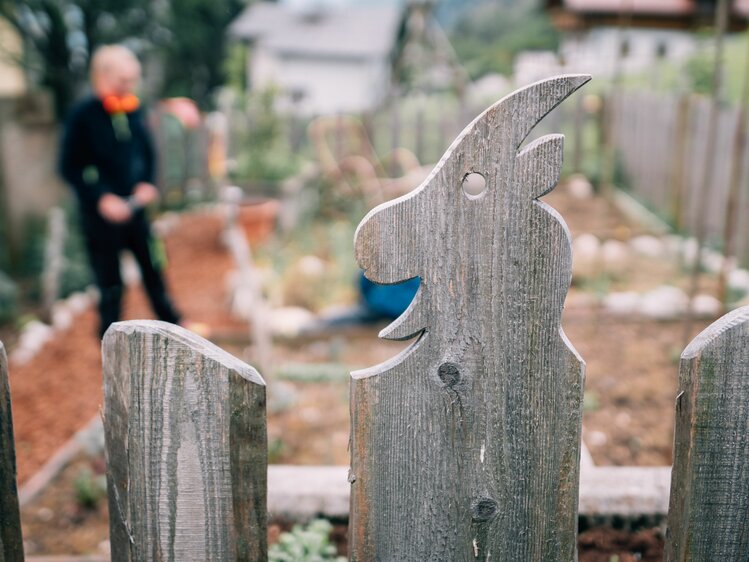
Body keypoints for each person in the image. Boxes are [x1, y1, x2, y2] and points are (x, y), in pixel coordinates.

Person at [59, 45, 181, 337]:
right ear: (102, 77)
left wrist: (147, 183)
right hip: (101, 218)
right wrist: (101, 197)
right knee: (110, 282)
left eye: (132, 81)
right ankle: (108, 340)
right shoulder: (82, 117)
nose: (129, 87)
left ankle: (176, 325)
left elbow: (148, 154)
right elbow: (70, 166)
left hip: (137, 211)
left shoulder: (134, 110)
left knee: (153, 268)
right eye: (123, 81)